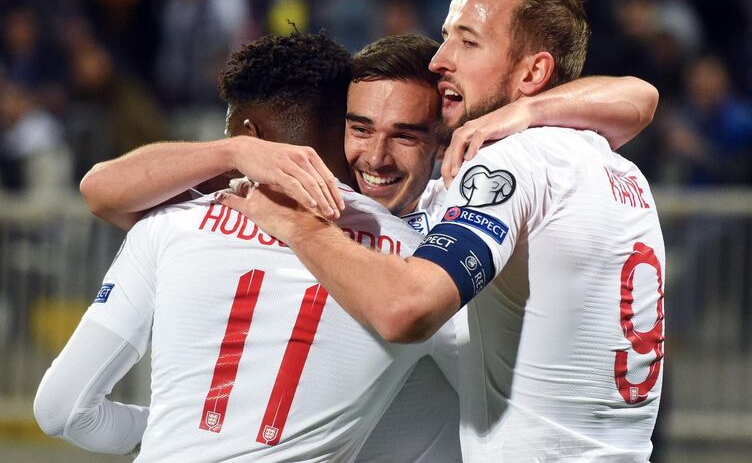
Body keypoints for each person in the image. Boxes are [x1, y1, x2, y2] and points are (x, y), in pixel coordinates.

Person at [220, 0, 665, 461]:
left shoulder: (510, 161)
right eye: (447, 34)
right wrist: (529, 109)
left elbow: (406, 309)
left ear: (533, 72)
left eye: (467, 42)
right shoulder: (616, 166)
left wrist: (296, 225)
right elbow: (641, 98)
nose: (439, 59)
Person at [33, 32, 459, 461]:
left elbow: (61, 408)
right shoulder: (428, 268)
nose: (376, 157)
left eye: (405, 136)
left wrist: (180, 434)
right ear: (341, 124)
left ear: (443, 141)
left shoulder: (171, 223)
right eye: (362, 129)